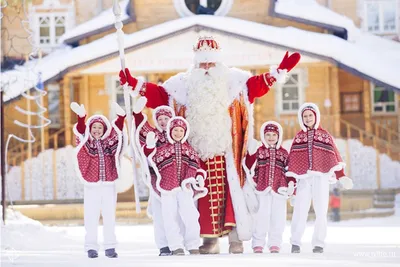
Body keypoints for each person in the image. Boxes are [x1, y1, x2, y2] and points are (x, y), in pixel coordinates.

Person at [119, 36, 301, 254]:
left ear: (218, 63)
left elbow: (257, 85)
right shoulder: (181, 85)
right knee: (202, 199)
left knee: (233, 196)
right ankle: (208, 240)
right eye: (202, 63)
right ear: (195, 64)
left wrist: (278, 71)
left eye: (210, 63)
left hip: (228, 152)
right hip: (195, 154)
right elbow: (158, 95)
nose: (206, 68)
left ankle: (235, 238)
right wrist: (134, 84)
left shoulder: (235, 82)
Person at [286, 102, 353, 254]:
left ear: (316, 116)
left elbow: (333, 156)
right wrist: (292, 185)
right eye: (305, 116)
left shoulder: (324, 135)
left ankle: (319, 243)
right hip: (304, 179)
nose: (308, 118)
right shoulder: (298, 137)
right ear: (301, 118)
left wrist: (341, 176)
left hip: (321, 178)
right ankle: (295, 242)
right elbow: (292, 162)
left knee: (321, 210)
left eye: (310, 115)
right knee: (300, 210)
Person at [71, 101, 130, 258]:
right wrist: (81, 118)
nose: (97, 130)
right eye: (94, 127)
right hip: (91, 185)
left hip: (108, 184)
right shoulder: (86, 141)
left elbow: (118, 136)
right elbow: (80, 132)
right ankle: (91, 246)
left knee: (109, 215)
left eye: (100, 127)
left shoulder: (109, 142)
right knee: (91, 216)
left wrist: (120, 118)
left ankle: (110, 246)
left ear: (105, 129)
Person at [143, 116, 208, 255]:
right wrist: (149, 147)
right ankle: (175, 245)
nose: (178, 133)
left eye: (180, 130)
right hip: (167, 188)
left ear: (185, 132)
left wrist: (199, 177)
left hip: (185, 188)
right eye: (175, 130)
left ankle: (193, 244)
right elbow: (151, 161)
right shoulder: (163, 150)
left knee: (190, 215)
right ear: (170, 131)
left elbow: (196, 165)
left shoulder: (189, 150)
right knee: (169, 217)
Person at [131, 96, 177, 256]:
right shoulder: (154, 134)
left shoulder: (178, 134)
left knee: (176, 214)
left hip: (176, 181)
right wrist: (137, 114)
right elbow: (141, 130)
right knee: (160, 215)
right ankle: (163, 245)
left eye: (166, 118)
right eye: (160, 119)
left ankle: (177, 243)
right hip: (158, 179)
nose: (163, 122)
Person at [243, 121, 294, 254]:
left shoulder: (283, 153)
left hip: (280, 188)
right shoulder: (259, 151)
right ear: (263, 136)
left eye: (274, 135)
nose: (271, 137)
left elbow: (289, 169)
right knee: (262, 216)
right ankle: (258, 243)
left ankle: (275, 243)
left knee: (278, 217)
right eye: (268, 135)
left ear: (279, 136)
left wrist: (291, 182)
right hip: (263, 187)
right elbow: (250, 166)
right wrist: (251, 152)